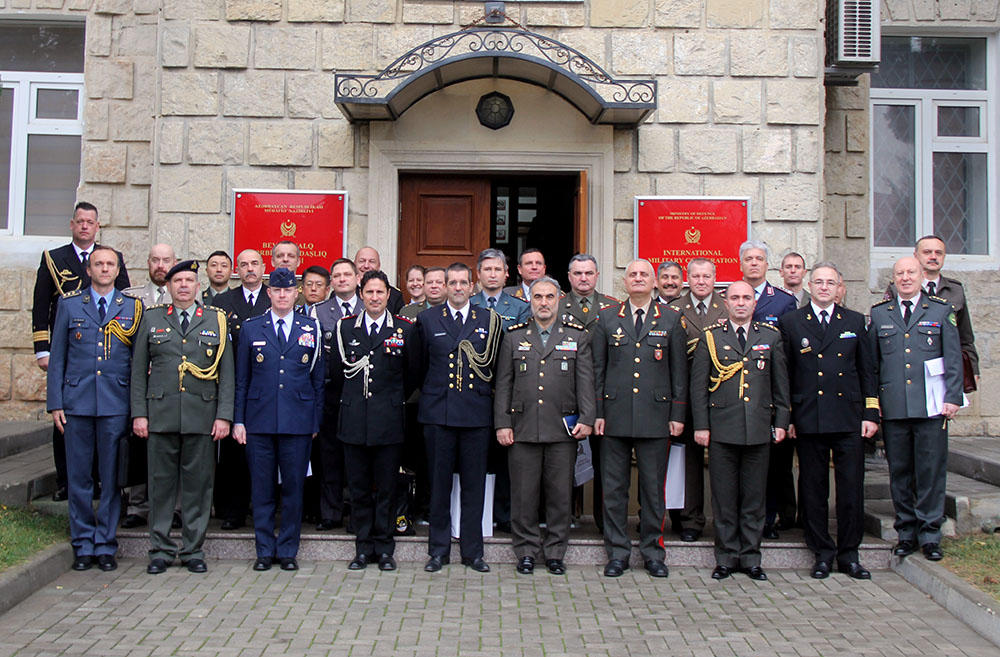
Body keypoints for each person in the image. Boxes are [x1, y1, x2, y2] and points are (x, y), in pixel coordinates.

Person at [131, 260, 234, 575]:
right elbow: (138, 373)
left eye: (189, 280)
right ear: (170, 287)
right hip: (160, 415)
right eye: (178, 281)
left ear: (196, 284)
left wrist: (224, 417)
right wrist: (139, 415)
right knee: (160, 486)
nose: (184, 286)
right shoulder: (151, 319)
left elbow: (227, 375)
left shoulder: (216, 320)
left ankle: (192, 549)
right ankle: (160, 549)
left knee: (198, 486)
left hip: (201, 416)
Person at [778, 263, 878, 580]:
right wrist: (789, 417)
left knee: (850, 490)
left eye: (829, 282)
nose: (823, 287)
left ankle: (849, 554)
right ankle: (821, 552)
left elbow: (867, 370)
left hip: (848, 418)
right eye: (818, 282)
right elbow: (787, 375)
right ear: (809, 285)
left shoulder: (854, 321)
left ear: (839, 287)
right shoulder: (792, 321)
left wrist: (871, 413)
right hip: (809, 418)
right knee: (813, 490)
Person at [592, 259, 687, 578]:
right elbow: (597, 371)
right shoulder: (606, 318)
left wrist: (677, 413)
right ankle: (617, 552)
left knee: (652, 488)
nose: (638, 279)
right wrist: (598, 413)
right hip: (615, 416)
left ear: (655, 282)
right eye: (632, 274)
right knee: (614, 488)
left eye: (644, 274)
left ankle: (652, 552)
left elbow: (679, 374)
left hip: (656, 417)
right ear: (624, 281)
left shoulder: (672, 319)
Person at [47, 246, 140, 572]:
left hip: (115, 404)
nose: (104, 268)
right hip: (77, 404)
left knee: (112, 479)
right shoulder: (70, 304)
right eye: (98, 263)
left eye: (110, 264)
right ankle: (83, 543)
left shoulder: (132, 307)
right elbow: (57, 357)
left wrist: (136, 407)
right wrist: (55, 403)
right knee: (79, 478)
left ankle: (105, 544)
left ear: (118, 270)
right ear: (89, 270)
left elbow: (138, 362)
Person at [494, 276, 595, 575]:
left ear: (559, 299)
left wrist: (588, 419)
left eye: (549, 297)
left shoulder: (577, 336)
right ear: (530, 301)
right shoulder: (513, 336)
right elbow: (503, 385)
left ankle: (554, 552)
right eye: (537, 297)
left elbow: (585, 383)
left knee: (559, 495)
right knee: (524, 496)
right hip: (522, 427)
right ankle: (525, 551)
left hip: (562, 429)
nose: (543, 303)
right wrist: (502, 423)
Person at [691, 280, 790, 582]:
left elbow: (780, 387)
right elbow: (699, 389)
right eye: (735, 297)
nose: (741, 303)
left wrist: (782, 423)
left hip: (758, 429)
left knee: (753, 499)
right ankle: (725, 557)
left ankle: (751, 557)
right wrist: (702, 426)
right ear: (726, 302)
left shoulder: (770, 337)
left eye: (747, 297)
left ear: (754, 303)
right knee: (724, 498)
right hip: (722, 429)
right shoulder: (711, 338)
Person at [32, 201, 129, 502]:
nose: (85, 226)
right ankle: (65, 481)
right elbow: (40, 306)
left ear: (98, 226)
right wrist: (42, 350)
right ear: (72, 225)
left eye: (91, 222)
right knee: (67, 421)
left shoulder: (111, 258)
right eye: (80, 221)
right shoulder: (54, 258)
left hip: (106, 350)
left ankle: (99, 481)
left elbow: (124, 300)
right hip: (70, 346)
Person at [870, 256, 962, 562]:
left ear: (923, 275)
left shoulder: (940, 310)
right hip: (895, 407)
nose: (906, 278)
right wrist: (874, 404)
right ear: (893, 278)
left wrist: (953, 397)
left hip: (932, 406)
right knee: (900, 472)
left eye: (911, 272)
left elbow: (952, 357)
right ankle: (906, 532)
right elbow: (873, 365)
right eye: (900, 273)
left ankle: (930, 533)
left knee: (930, 472)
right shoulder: (880, 313)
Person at [233, 268, 324, 572]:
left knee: (294, 488)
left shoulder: (310, 327)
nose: (283, 295)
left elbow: (317, 380)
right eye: (277, 290)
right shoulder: (251, 328)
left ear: (296, 293)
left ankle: (287, 549)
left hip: (297, 422)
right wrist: (239, 421)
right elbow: (241, 380)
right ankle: (263, 550)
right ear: (269, 293)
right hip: (259, 421)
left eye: (288, 290)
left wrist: (314, 422)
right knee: (261, 488)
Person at [414, 263, 503, 573]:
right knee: (439, 487)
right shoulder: (427, 319)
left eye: (463, 282)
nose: (457, 287)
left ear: (472, 286)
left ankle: (472, 552)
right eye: (452, 282)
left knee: (473, 486)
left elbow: (496, 370)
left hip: (476, 415)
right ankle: (437, 551)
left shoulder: (489, 321)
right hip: (438, 414)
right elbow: (418, 367)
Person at [330, 270, 417, 571]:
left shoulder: (404, 329)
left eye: (380, 293)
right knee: (358, 488)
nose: (375, 298)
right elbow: (337, 374)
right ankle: (362, 548)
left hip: (388, 421)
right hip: (354, 420)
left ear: (388, 296)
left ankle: (385, 547)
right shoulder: (345, 329)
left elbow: (412, 374)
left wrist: (389, 400)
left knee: (387, 488)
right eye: (369, 292)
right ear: (361, 294)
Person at [740, 239, 797, 538]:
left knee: (774, 464)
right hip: (740, 392)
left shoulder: (784, 301)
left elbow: (790, 355)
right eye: (748, 258)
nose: (754, 263)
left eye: (759, 258)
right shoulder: (731, 296)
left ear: (767, 264)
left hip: (770, 392)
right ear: (741, 264)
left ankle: (768, 519)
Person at [470, 248, 530, 534]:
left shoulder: (520, 308)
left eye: (498, 269)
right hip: (473, 394)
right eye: (487, 270)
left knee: (507, 459)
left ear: (507, 274)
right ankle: (478, 515)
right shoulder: (467, 305)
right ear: (478, 274)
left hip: (508, 395)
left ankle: (505, 515)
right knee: (476, 458)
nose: (492, 274)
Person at [210, 249, 270, 530]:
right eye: (243, 265)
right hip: (233, 385)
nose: (249, 269)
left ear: (263, 267)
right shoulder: (223, 301)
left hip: (266, 388)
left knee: (262, 454)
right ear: (237, 270)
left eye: (254, 264)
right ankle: (233, 511)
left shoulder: (274, 297)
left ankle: (262, 510)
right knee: (233, 454)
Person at [668, 257, 727, 542]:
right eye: (695, 276)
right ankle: (691, 520)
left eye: (706, 276)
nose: (701, 281)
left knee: (724, 461)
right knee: (689, 461)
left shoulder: (728, 306)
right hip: (690, 397)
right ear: (686, 279)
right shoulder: (674, 309)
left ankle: (725, 520)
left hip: (725, 395)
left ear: (715, 278)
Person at [120, 243, 178, 528]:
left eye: (166, 260)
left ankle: (175, 508)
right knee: (139, 443)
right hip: (141, 381)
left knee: (175, 445)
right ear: (148, 262)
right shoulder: (129, 299)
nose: (160, 265)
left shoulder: (185, 296)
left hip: (173, 384)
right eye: (155, 259)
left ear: (174, 262)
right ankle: (138, 506)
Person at [561, 253, 618, 532]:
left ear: (597, 276)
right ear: (569, 276)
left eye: (588, 273)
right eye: (578, 273)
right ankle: (566, 516)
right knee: (564, 461)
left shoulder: (612, 308)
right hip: (565, 396)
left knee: (606, 463)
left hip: (603, 395)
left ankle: (604, 521)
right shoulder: (557, 306)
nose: (583, 278)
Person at [884, 235, 979, 385]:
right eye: (927, 252)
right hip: (911, 371)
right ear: (916, 256)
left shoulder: (955, 290)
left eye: (938, 253)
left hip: (945, 371)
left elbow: (965, 336)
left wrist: (973, 369)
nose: (933, 257)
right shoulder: (899, 288)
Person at [311, 258, 362, 530]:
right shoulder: (318, 311)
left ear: (357, 279)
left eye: (347, 274)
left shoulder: (370, 308)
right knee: (329, 456)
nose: (342, 279)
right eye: (337, 276)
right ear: (331, 282)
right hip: (330, 393)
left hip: (360, 395)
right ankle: (330, 514)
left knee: (357, 457)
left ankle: (357, 514)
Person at [354, 246, 404, 314]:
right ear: (354, 264)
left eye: (372, 261)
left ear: (379, 265)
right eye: (362, 261)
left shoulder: (395, 295)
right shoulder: (347, 292)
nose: (366, 266)